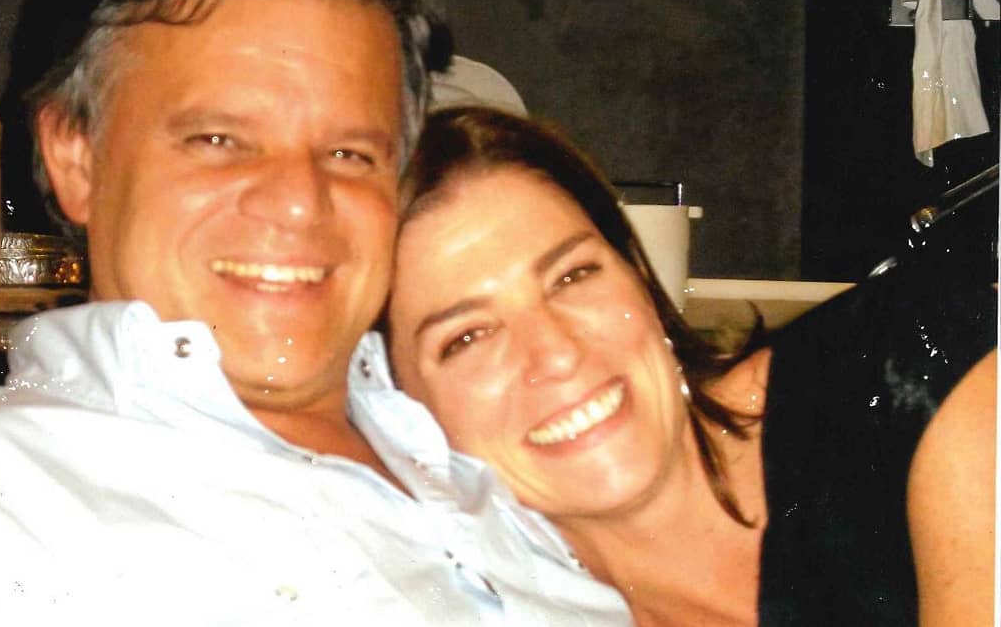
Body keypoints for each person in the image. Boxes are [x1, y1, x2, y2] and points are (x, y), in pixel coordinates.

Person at [0, 0, 631, 626]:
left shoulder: (493, 447)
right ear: (76, 156)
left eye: (349, 153)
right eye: (220, 140)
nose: (298, 203)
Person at [385, 105, 997, 626]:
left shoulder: (909, 375)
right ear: (393, 411)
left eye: (572, 276)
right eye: (467, 337)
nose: (557, 352)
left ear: (640, 277)